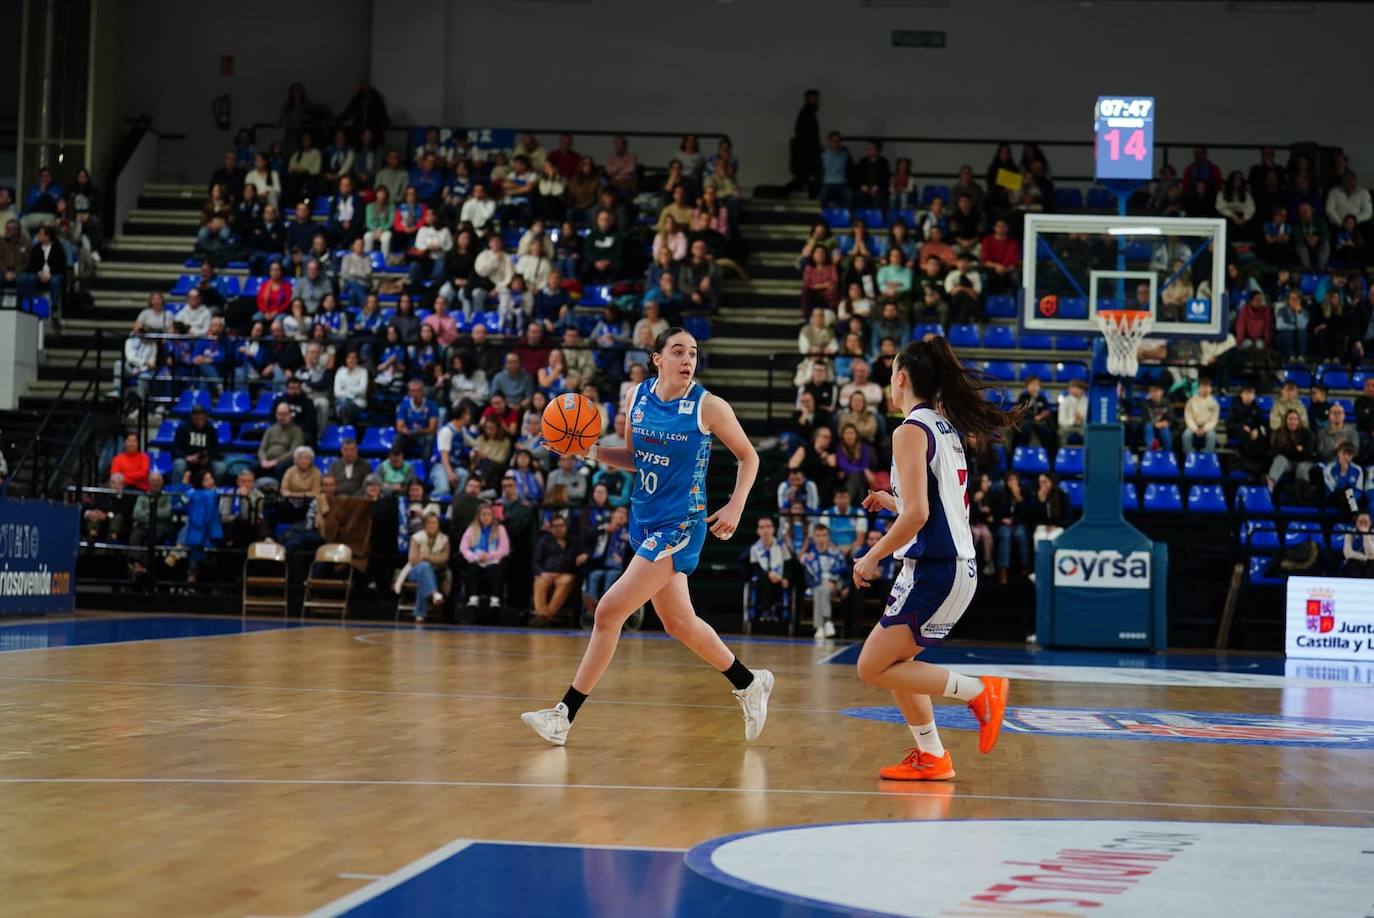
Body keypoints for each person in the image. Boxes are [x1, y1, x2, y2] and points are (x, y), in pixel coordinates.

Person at [521, 327, 773, 746]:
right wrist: (587, 450)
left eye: (692, 352)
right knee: (679, 623)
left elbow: (750, 456)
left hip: (680, 525)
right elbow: (637, 459)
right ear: (657, 358)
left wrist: (735, 506)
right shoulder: (637, 396)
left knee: (608, 611)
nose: (687, 359)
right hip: (645, 516)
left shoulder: (708, 407)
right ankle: (750, 683)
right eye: (677, 351)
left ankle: (563, 715)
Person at [850, 336, 1021, 781]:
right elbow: (932, 504)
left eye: (890, 375)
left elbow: (921, 514)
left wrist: (871, 556)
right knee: (895, 667)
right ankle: (932, 755)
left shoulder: (909, 430)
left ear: (901, 379)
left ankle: (980, 693)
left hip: (938, 569)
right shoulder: (941, 425)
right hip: (943, 566)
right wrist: (894, 501)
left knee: (872, 667)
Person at [802, 524, 849, 640]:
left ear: (828, 537)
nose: (821, 539)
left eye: (824, 535)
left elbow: (845, 573)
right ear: (813, 537)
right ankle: (826, 623)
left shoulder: (837, 555)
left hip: (835, 585)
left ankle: (820, 627)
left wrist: (840, 585)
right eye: (818, 536)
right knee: (820, 590)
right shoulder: (809, 558)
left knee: (821, 589)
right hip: (818, 586)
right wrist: (822, 583)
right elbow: (808, 579)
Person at [460, 503, 510, 610]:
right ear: (478, 516)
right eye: (483, 514)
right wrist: (475, 557)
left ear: (492, 516)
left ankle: (495, 599)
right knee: (471, 567)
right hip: (476, 560)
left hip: (493, 561)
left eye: (488, 514)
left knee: (496, 568)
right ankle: (473, 598)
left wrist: (490, 556)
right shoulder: (471, 529)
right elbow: (463, 548)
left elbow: (504, 549)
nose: (486, 517)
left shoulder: (500, 529)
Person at [402, 512, 450, 622]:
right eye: (429, 522)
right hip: (414, 571)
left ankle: (419, 614)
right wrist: (433, 558)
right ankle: (434, 594)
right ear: (424, 524)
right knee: (424, 567)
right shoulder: (416, 538)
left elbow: (444, 559)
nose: (431, 525)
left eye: (434, 522)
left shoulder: (444, 539)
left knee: (424, 576)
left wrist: (425, 557)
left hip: (437, 572)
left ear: (438, 524)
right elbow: (413, 560)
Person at [172, 407, 224, 485]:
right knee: (179, 464)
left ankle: (214, 491)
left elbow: (216, 449)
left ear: (206, 417)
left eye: (202, 419)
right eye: (197, 419)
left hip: (206, 461)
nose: (200, 422)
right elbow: (175, 449)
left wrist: (208, 458)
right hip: (187, 460)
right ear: (192, 418)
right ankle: (177, 492)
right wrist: (187, 457)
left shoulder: (211, 429)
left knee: (220, 467)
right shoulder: (183, 429)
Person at [1183, 378, 1220, 453]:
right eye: (1203, 387)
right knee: (1186, 435)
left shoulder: (1214, 403)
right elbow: (1188, 417)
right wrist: (1195, 429)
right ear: (1199, 388)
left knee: (1212, 436)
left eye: (1208, 387)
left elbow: (1213, 420)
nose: (1205, 389)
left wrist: (1205, 429)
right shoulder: (1191, 401)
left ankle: (1207, 455)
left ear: (1211, 389)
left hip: (1207, 427)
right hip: (1193, 426)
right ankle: (1191, 454)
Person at [1342, 512, 1374, 578]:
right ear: (1356, 523)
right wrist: (1364, 558)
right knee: (1350, 563)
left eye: (1366, 522)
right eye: (1360, 522)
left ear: (1370, 523)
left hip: (1371, 563)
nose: (1363, 524)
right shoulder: (1349, 533)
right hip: (1356, 561)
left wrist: (1366, 534)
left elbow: (1372, 555)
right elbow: (1347, 553)